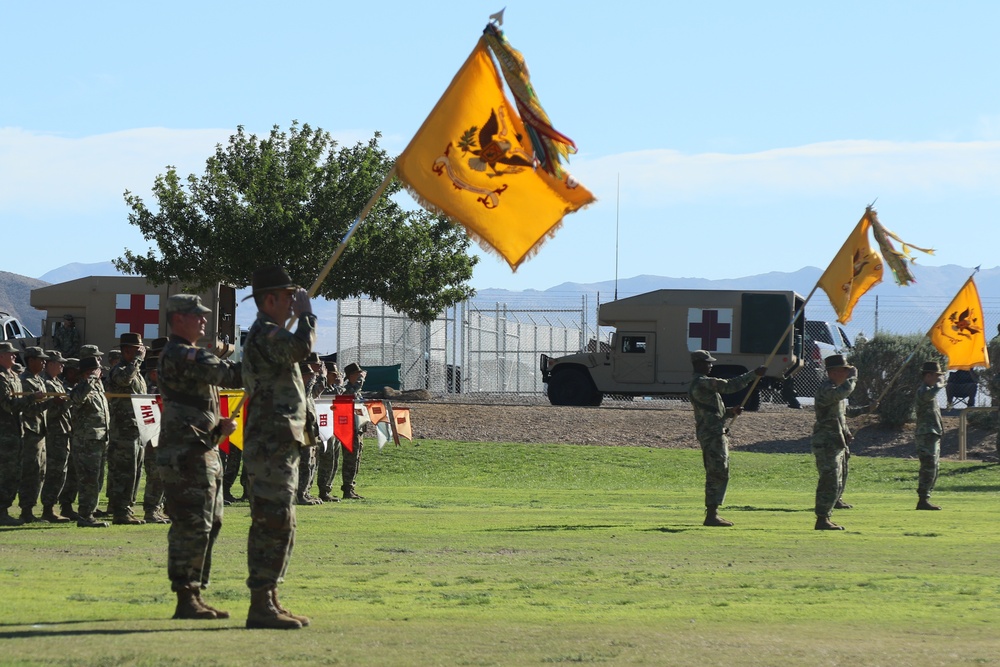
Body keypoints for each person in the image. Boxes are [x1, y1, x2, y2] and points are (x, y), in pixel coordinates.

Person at [157, 294, 243, 620]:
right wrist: (266, 355)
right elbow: (232, 377)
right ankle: (185, 596)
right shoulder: (182, 354)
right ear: (179, 318)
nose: (204, 321)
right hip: (186, 453)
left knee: (210, 522)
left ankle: (196, 591)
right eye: (198, 315)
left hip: (203, 447)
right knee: (191, 524)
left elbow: (198, 402)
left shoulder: (191, 355)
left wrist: (218, 426)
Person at [242, 265, 316, 630]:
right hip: (270, 442)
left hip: (279, 441)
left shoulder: (270, 333)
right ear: (269, 299)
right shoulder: (266, 334)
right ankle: (261, 603)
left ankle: (270, 596)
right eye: (288, 296)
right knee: (272, 521)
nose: (293, 302)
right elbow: (301, 348)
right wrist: (307, 316)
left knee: (282, 521)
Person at [688, 350, 766, 527]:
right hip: (712, 434)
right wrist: (754, 374)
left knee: (720, 471)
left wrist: (730, 412)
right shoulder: (702, 383)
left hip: (712, 431)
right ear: (699, 364)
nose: (711, 365)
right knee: (717, 472)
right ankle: (711, 514)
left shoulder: (699, 384)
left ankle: (713, 512)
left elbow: (710, 410)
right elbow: (730, 385)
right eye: (708, 362)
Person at [811, 354, 857, 531]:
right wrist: (853, 377)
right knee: (829, 481)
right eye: (844, 370)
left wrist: (846, 432)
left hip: (836, 441)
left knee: (836, 481)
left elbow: (841, 415)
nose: (846, 373)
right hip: (826, 442)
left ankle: (826, 516)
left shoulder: (834, 390)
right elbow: (844, 392)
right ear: (833, 372)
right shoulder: (827, 389)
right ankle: (822, 518)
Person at [0, 342, 44, 526]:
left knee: (14, 472)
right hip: (4, 433)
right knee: (5, 472)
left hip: (17, 430)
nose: (13, 357)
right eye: (10, 354)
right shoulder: (1, 378)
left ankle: (5, 508)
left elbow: (22, 405)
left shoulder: (13, 377)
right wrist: (32, 397)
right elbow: (9, 404)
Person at [107, 333, 147, 524]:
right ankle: (120, 511)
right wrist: (137, 361)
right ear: (126, 351)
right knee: (124, 470)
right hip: (123, 430)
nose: (140, 352)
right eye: (136, 350)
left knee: (135, 470)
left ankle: (126, 508)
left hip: (136, 428)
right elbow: (124, 381)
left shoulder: (136, 372)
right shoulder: (120, 369)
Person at [18, 347, 61, 523]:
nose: (43, 363)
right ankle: (26, 510)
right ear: (30, 361)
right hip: (30, 431)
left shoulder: (38, 380)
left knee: (40, 472)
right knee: (31, 471)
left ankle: (33, 509)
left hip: (41, 431)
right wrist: (49, 403)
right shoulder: (25, 381)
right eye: (40, 360)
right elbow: (27, 409)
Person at [69, 354, 111, 528]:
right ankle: (85, 515)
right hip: (86, 442)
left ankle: (90, 513)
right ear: (88, 373)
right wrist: (91, 378)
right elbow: (77, 398)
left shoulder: (97, 389)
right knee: (89, 479)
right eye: (97, 371)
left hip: (100, 441)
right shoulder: (81, 388)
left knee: (97, 478)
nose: (100, 374)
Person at [40, 350, 73, 523]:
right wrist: (63, 403)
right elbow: (49, 410)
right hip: (54, 433)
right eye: (59, 362)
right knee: (54, 472)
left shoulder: (57, 383)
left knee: (62, 472)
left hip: (63, 432)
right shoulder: (47, 384)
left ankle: (53, 505)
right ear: (50, 364)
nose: (62, 365)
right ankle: (48, 507)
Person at [914, 361, 946, 510]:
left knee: (934, 467)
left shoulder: (929, 390)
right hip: (926, 434)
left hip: (933, 433)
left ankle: (926, 497)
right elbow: (928, 396)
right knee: (928, 466)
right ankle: (923, 499)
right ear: (928, 375)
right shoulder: (923, 391)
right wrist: (939, 385)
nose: (938, 379)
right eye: (936, 376)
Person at [315, 363, 344, 503]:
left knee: (333, 460)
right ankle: (322, 490)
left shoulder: (333, 388)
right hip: (323, 428)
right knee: (324, 460)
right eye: (333, 374)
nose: (336, 376)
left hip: (334, 427)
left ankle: (326, 489)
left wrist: (339, 386)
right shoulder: (323, 388)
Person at [295, 359, 323, 505]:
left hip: (309, 429)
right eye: (309, 375)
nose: (313, 377)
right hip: (301, 429)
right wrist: (313, 380)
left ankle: (305, 492)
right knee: (304, 463)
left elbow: (317, 390)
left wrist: (320, 377)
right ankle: (299, 494)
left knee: (310, 462)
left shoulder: (308, 391)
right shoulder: (298, 388)